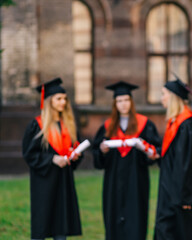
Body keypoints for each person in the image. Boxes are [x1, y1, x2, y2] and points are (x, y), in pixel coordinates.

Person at [92, 81, 161, 240]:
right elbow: (97, 154)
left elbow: (156, 149)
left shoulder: (144, 124)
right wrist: (102, 151)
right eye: (119, 101)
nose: (123, 104)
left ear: (131, 102)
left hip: (136, 180)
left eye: (126, 100)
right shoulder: (108, 126)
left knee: (135, 216)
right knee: (114, 216)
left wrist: (147, 150)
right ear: (115, 104)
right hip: (113, 181)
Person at [22, 78, 82, 240]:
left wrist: (74, 156)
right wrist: (52, 159)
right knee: (42, 223)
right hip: (44, 182)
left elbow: (74, 153)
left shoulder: (68, 125)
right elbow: (30, 154)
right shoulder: (37, 125)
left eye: (64, 99)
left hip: (63, 181)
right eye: (59, 98)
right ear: (49, 101)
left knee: (60, 223)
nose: (63, 102)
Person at [154, 77, 192, 240]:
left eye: (164, 94)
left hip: (180, 196)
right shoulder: (175, 123)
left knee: (178, 232)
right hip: (170, 191)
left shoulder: (185, 125)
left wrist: (184, 197)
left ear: (173, 97)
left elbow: (186, 164)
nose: (161, 98)